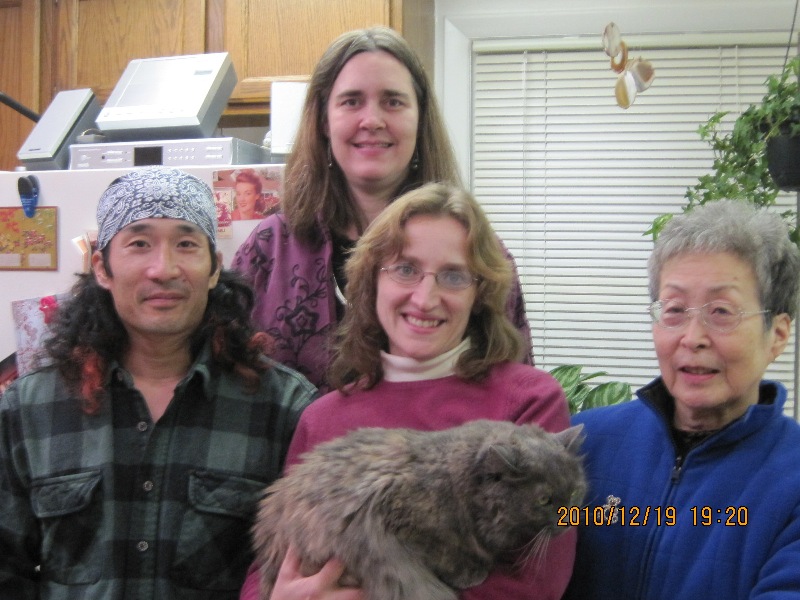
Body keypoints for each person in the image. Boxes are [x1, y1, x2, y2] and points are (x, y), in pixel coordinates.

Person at [241, 182, 575, 600]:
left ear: (480, 292)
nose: (425, 298)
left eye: (453, 275)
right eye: (405, 269)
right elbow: (269, 560)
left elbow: (534, 582)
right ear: (371, 281)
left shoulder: (528, 400)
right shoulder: (323, 416)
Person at [0, 166, 318, 599]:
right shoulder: (29, 408)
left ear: (213, 268)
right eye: (139, 244)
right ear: (101, 267)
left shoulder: (284, 409)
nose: (163, 269)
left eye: (186, 244)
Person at [231, 26, 533, 393]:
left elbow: (517, 397)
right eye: (351, 101)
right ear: (324, 120)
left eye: (393, 101)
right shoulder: (268, 250)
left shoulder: (480, 256)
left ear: (420, 118)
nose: (372, 120)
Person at [565, 200, 800, 599]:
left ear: (777, 334)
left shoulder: (791, 480)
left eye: (722, 311)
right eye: (674, 310)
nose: (693, 337)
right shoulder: (587, 445)